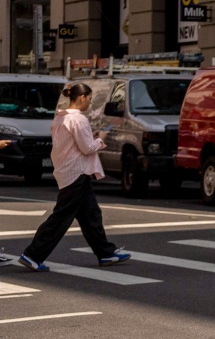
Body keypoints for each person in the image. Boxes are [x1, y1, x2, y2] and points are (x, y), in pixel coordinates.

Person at [12, 82, 129, 272]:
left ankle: (106, 253)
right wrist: (101, 139)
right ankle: (33, 255)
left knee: (91, 215)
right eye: (89, 99)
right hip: (77, 172)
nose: (89, 104)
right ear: (81, 98)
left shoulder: (60, 117)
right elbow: (87, 148)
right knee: (61, 218)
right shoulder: (78, 119)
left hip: (68, 170)